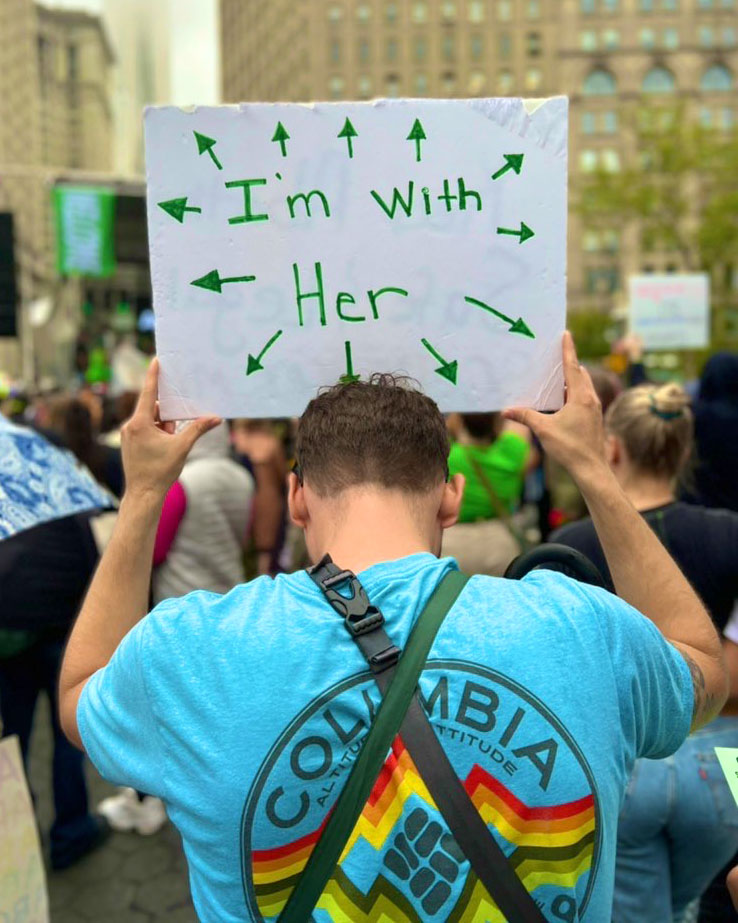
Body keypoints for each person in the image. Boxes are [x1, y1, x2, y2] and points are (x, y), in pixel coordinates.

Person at [59, 336, 727, 922]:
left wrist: (144, 492)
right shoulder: (581, 627)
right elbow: (704, 665)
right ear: (450, 497)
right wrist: (592, 469)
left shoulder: (195, 650)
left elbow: (80, 694)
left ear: (297, 498)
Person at [552, 382, 738, 922]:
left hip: (627, 763)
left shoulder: (572, 545)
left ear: (612, 449)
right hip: (724, 760)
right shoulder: (727, 534)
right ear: (682, 451)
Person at [96, 421, 254, 835]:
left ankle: (150, 802)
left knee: (166, 710)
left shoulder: (183, 483)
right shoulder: (240, 477)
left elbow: (155, 549)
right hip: (227, 597)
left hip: (181, 608)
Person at [442, 412, 532, 575]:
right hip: (500, 540)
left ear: (460, 420)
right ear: (497, 422)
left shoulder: (447, 457)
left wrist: (453, 422)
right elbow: (521, 425)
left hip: (455, 540)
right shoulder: (512, 452)